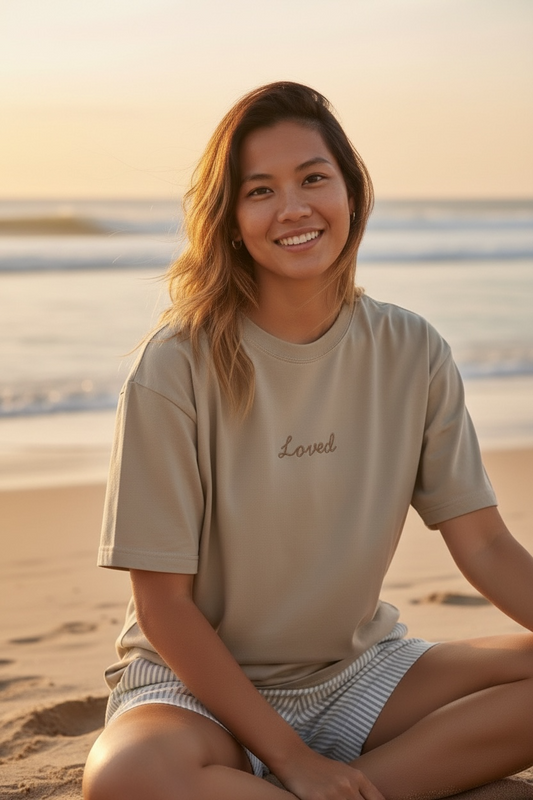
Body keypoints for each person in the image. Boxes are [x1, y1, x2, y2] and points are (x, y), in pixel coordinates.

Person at [83, 82, 533, 800]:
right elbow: (164, 607)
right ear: (230, 219)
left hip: (361, 676)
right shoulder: (174, 366)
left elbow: (481, 545)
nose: (293, 208)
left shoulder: (411, 349)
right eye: (259, 190)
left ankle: (345, 791)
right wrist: (292, 758)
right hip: (197, 694)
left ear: (350, 192)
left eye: (313, 179)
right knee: (128, 777)